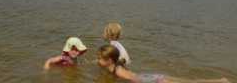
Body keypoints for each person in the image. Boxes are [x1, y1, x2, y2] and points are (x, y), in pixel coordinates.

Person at [97, 45, 231, 83]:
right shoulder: (116, 66)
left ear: (109, 60)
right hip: (151, 77)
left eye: (100, 58)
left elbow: (134, 80)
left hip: (155, 81)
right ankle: (220, 80)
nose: (98, 60)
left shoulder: (118, 71)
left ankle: (221, 81)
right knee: (190, 81)